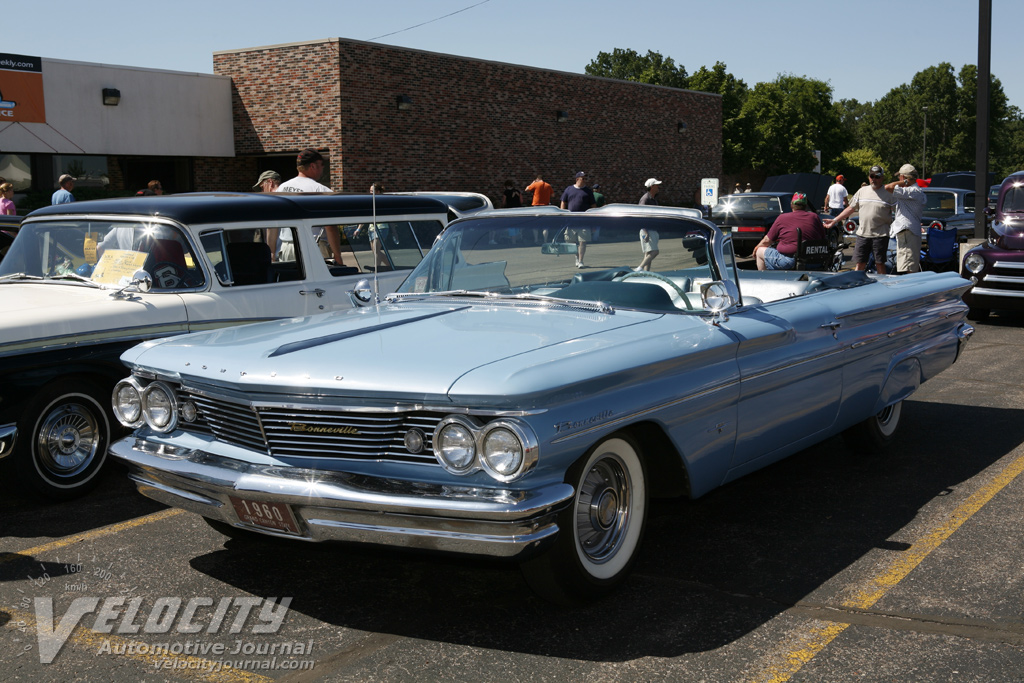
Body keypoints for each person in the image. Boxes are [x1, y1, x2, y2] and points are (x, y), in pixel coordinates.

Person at [277, 149, 343, 263]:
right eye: (322, 164)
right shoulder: (321, 191)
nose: (323, 168)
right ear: (313, 166)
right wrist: (337, 256)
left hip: (287, 247)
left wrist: (272, 252)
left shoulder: (282, 188)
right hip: (313, 247)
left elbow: (274, 224)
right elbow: (330, 227)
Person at [825, 166, 894, 274]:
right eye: (872, 176)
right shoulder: (862, 191)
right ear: (868, 177)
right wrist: (835, 220)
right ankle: (856, 285)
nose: (874, 179)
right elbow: (850, 208)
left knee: (879, 263)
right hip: (863, 234)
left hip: (880, 235)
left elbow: (899, 212)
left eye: (877, 176)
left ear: (882, 178)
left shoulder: (889, 194)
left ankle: (882, 287)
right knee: (860, 263)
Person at [753, 192, 827, 271]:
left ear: (791, 205)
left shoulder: (782, 218)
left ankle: (764, 279)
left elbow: (767, 240)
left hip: (789, 261)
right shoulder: (814, 217)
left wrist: (756, 248)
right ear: (805, 206)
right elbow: (823, 238)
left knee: (760, 251)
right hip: (813, 262)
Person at [885, 164, 926, 274]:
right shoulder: (916, 191)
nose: (898, 179)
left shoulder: (912, 191)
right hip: (911, 231)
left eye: (900, 177)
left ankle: (910, 288)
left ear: (903, 177)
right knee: (910, 264)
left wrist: (904, 182)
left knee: (907, 267)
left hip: (907, 231)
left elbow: (888, 187)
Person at [560, 171, 595, 268]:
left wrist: (593, 220)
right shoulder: (569, 189)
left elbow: (593, 206)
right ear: (577, 179)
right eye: (583, 178)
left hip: (584, 221)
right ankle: (576, 256)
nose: (585, 180)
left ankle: (580, 260)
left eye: (585, 178)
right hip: (571, 221)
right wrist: (563, 214)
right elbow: (563, 202)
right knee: (571, 242)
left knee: (583, 241)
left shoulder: (588, 191)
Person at [254, 171, 282, 258]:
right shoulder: (286, 197)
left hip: (277, 255)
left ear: (270, 182)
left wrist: (271, 254)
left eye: (262, 188)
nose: (262, 192)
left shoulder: (273, 202)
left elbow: (272, 227)